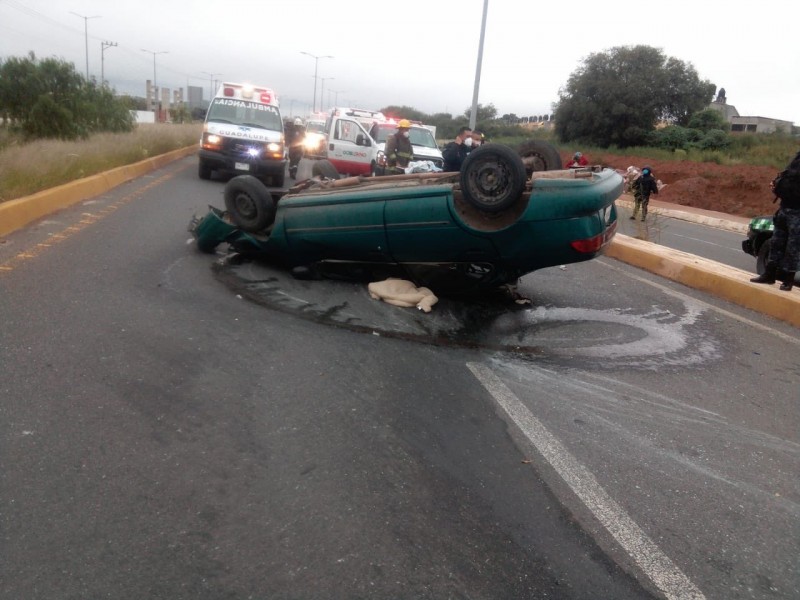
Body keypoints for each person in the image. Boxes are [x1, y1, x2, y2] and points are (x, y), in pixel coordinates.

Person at [750, 150, 800, 291]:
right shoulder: (796, 159)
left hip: (797, 213)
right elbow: (787, 178)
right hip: (784, 208)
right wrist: (777, 185)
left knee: (793, 248)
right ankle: (769, 275)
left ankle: (788, 281)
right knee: (776, 244)